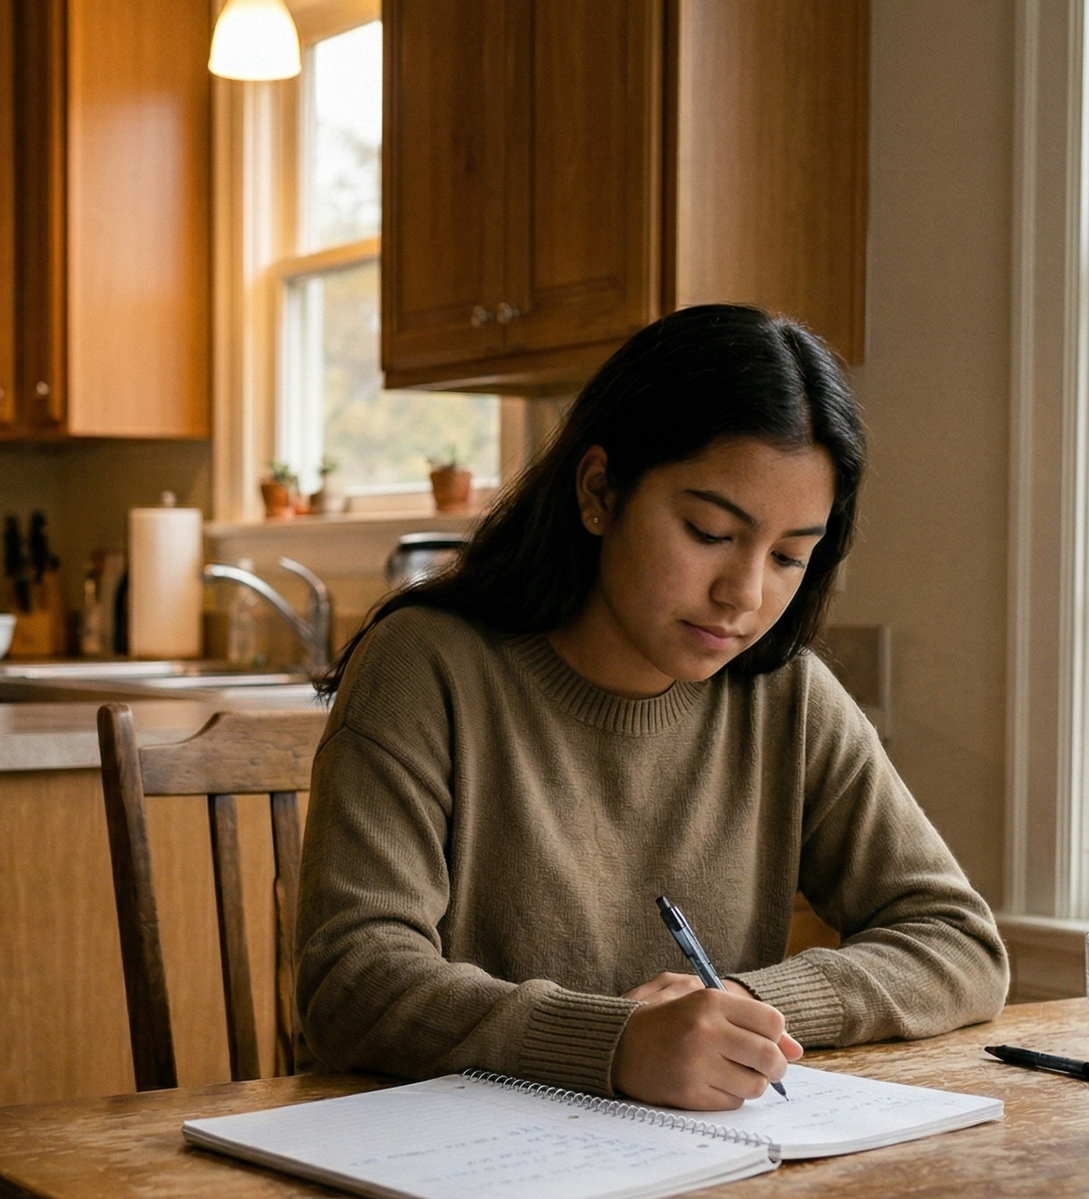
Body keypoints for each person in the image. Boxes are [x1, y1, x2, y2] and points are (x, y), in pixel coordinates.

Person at [297, 304, 1008, 1113]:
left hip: (695, 1174)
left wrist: (735, 1011)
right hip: (442, 1166)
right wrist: (612, 1041)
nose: (744, 595)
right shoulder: (429, 666)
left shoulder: (786, 694)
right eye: (709, 532)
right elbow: (353, 980)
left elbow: (957, 943)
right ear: (600, 490)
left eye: (788, 557)